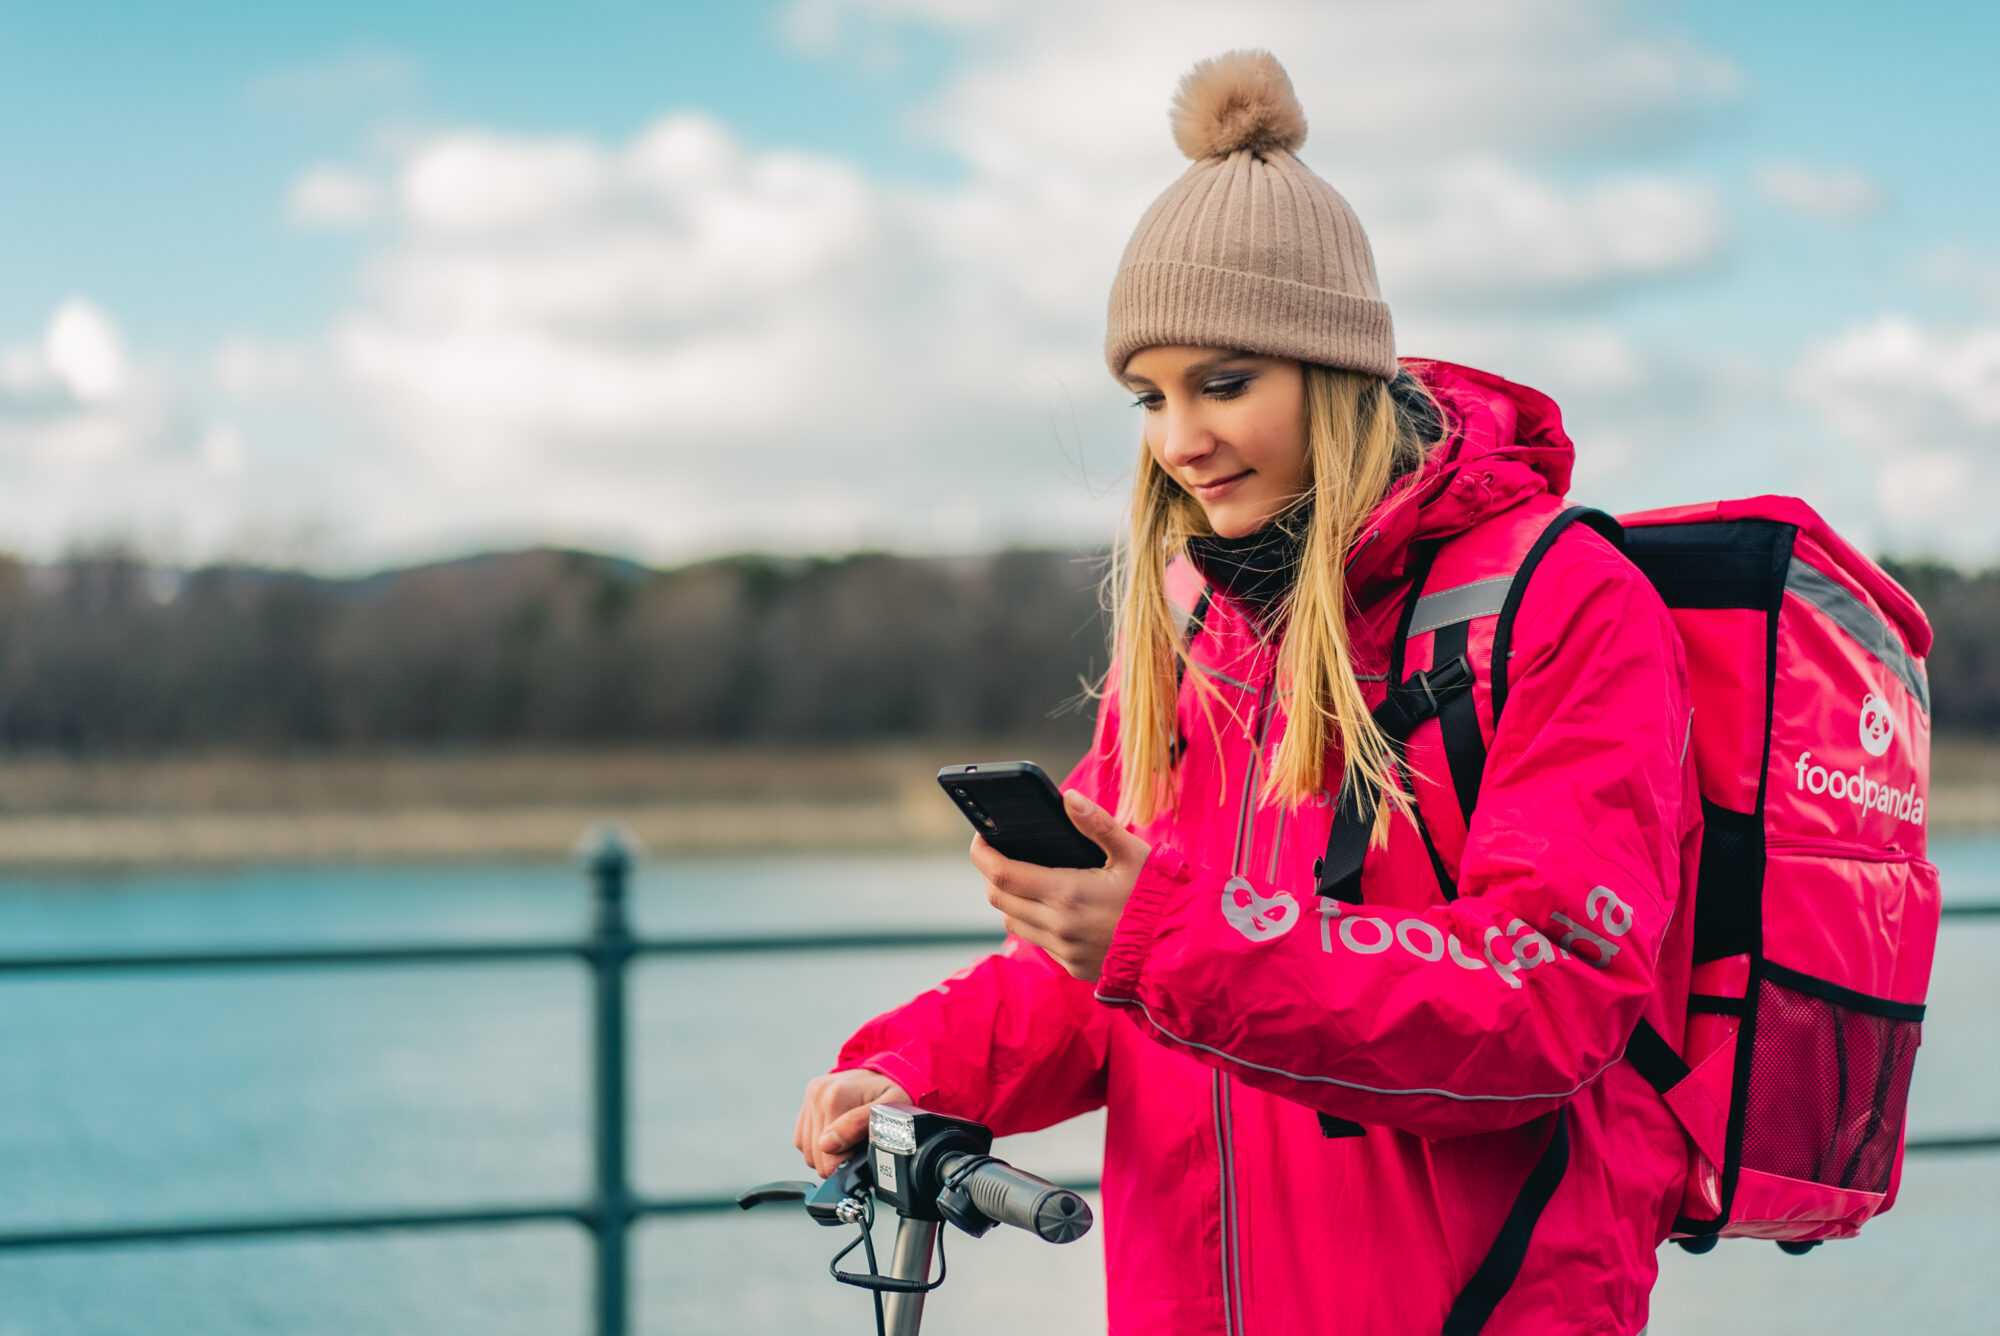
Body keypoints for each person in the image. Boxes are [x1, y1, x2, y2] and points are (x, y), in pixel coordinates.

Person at [792, 48, 1699, 1336]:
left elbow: (1546, 1004)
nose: (1179, 440)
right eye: (1149, 397)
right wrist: (907, 1066)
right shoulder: (1186, 614)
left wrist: (1164, 935)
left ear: (1334, 373)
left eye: (1225, 383)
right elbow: (1095, 979)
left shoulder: (1562, 597)